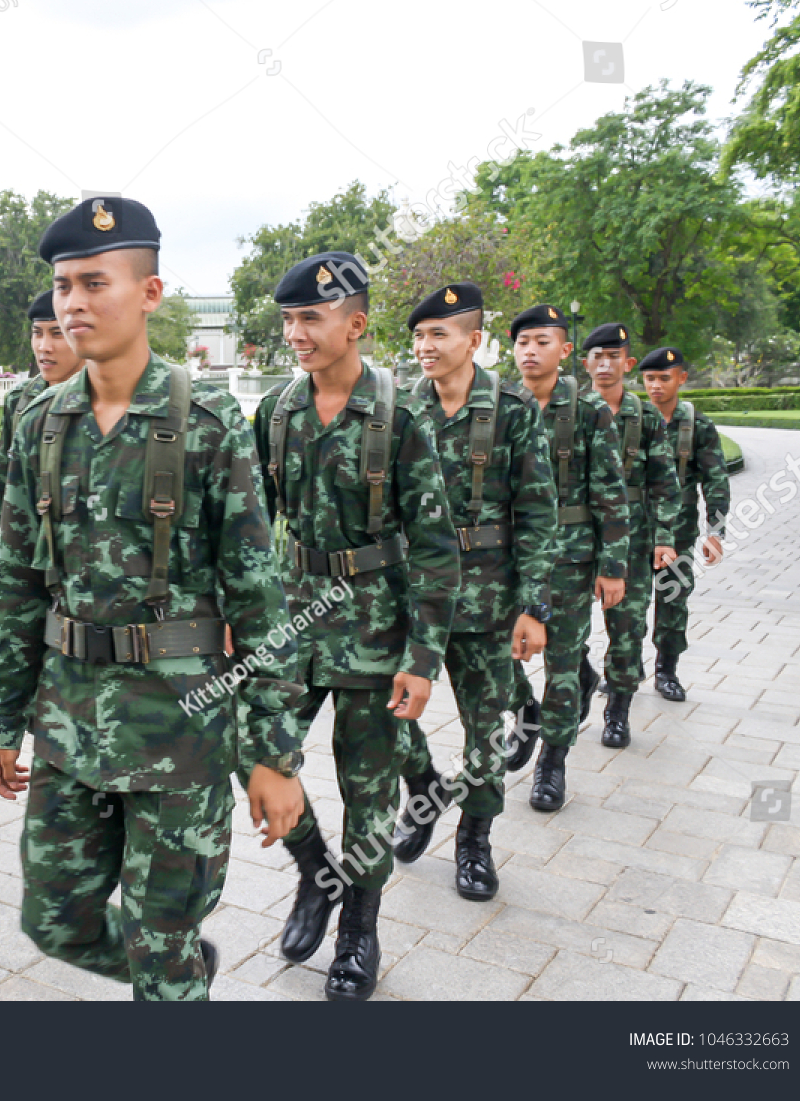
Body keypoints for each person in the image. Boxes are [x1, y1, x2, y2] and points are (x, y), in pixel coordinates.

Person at [0, 197, 306, 1002]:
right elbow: (18, 579)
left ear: (149, 293)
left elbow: (260, 598)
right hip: (66, 726)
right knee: (54, 920)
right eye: (62, 287)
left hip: (178, 731)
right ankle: (182, 969)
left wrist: (275, 753)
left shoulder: (208, 421)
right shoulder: (40, 422)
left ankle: (172, 974)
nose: (73, 303)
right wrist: (6, 717)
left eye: (94, 282)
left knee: (161, 942)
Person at [253, 252, 458, 999]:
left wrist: (423, 659)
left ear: (356, 323)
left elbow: (436, 549)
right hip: (290, 623)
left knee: (366, 787)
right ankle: (315, 870)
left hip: (375, 628)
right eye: (289, 320)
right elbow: (246, 528)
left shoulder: (400, 418)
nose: (295, 333)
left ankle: (359, 931)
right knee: (251, 743)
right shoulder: (276, 412)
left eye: (310, 317)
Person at [390, 283, 557, 901]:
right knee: (390, 717)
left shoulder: (511, 410)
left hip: (490, 600)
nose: (425, 346)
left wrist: (533, 606)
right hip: (414, 600)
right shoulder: (402, 409)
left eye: (439, 334)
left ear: (474, 341)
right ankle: (423, 790)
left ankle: (475, 839)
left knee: (483, 729)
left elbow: (541, 515)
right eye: (418, 335)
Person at [505, 304, 629, 812]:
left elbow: (611, 491)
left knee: (559, 660)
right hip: (507, 561)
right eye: (522, 343)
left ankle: (552, 761)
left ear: (564, 349)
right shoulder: (499, 404)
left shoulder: (586, 410)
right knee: (495, 652)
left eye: (541, 341)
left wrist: (613, 564)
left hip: (571, 561)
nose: (530, 351)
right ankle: (523, 709)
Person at [580, 324, 678, 745]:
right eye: (597, 356)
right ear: (584, 363)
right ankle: (582, 675)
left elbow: (665, 482)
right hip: (574, 535)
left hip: (632, 539)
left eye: (613, 356)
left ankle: (617, 709)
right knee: (563, 625)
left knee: (627, 627)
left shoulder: (646, 417)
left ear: (628, 363)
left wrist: (665, 535)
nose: (605, 364)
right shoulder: (570, 411)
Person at [0, 290, 84, 636]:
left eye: (56, 333)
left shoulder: (106, 399)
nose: (44, 347)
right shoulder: (22, 401)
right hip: (26, 572)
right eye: (37, 333)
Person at [641, 347, 730, 700]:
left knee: (673, 599)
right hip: (631, 531)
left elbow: (716, 480)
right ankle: (625, 669)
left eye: (664, 378)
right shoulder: (631, 420)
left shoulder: (697, 426)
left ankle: (667, 670)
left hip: (677, 532)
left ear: (681, 378)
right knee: (626, 606)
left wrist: (716, 532)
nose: (656, 386)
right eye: (650, 379)